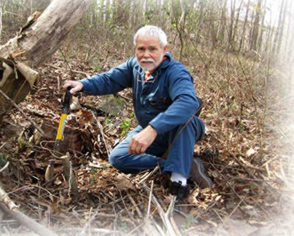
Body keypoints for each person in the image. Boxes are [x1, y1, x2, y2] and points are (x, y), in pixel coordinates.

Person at [64, 25, 212, 198]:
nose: (146, 55)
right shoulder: (134, 67)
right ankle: (178, 164)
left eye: (152, 49)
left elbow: (188, 102)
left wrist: (153, 129)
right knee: (118, 158)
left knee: (184, 120)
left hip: (180, 131)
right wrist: (83, 84)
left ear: (164, 50)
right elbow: (110, 79)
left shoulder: (176, 72)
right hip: (152, 132)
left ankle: (179, 181)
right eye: (141, 49)